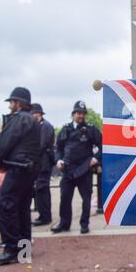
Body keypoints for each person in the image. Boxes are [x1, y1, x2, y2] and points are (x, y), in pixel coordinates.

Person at [0, 87, 41, 264]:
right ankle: (24, 250)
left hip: (16, 169)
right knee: (22, 210)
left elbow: (4, 144)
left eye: (11, 102)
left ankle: (11, 248)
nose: (10, 105)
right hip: (28, 170)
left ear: (18, 103)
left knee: (5, 206)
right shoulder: (33, 121)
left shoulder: (19, 119)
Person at [52, 101, 102, 235]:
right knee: (65, 197)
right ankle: (64, 223)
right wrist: (59, 160)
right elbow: (59, 149)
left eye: (83, 113)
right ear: (73, 114)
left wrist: (95, 159)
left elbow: (103, 145)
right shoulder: (65, 129)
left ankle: (84, 224)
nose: (81, 116)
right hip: (68, 170)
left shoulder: (91, 129)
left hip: (84, 169)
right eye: (78, 113)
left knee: (86, 199)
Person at [31, 103, 55, 226]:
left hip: (43, 162)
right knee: (41, 190)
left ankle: (44, 216)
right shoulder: (41, 125)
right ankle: (44, 215)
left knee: (42, 189)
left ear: (38, 114)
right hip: (41, 161)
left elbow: (42, 144)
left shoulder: (45, 126)